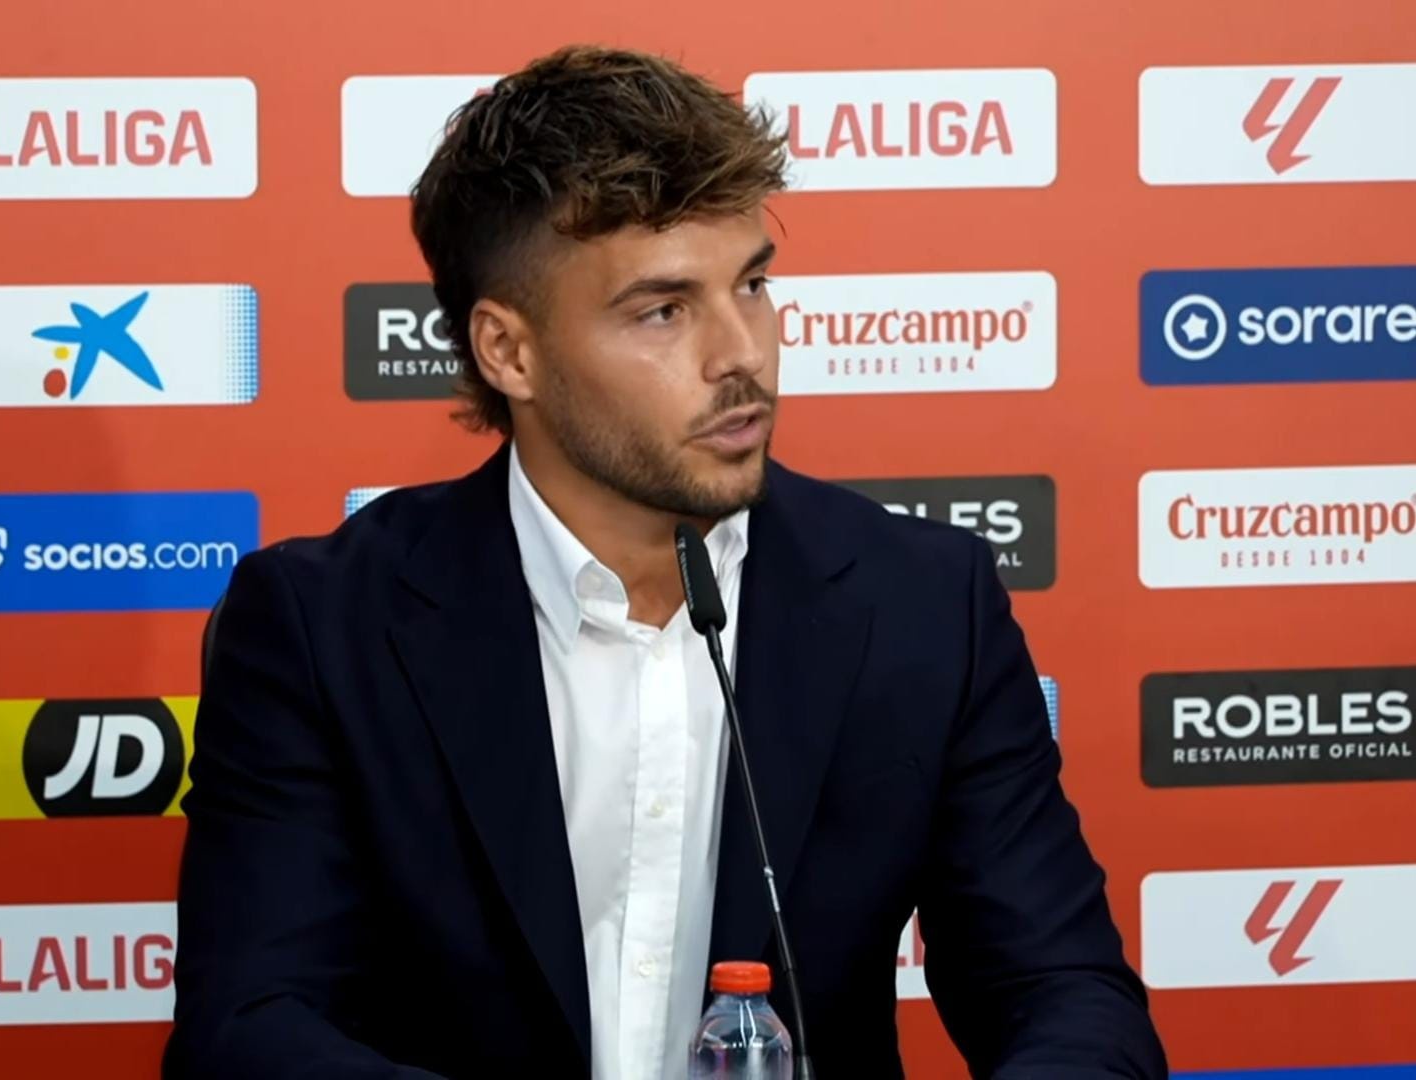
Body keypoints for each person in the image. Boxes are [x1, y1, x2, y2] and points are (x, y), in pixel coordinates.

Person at [164, 43, 1167, 1080]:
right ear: (510, 352)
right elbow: (248, 1033)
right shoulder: (322, 625)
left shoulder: (924, 604)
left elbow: (1066, 997)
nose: (741, 353)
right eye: (663, 310)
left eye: (753, 285)